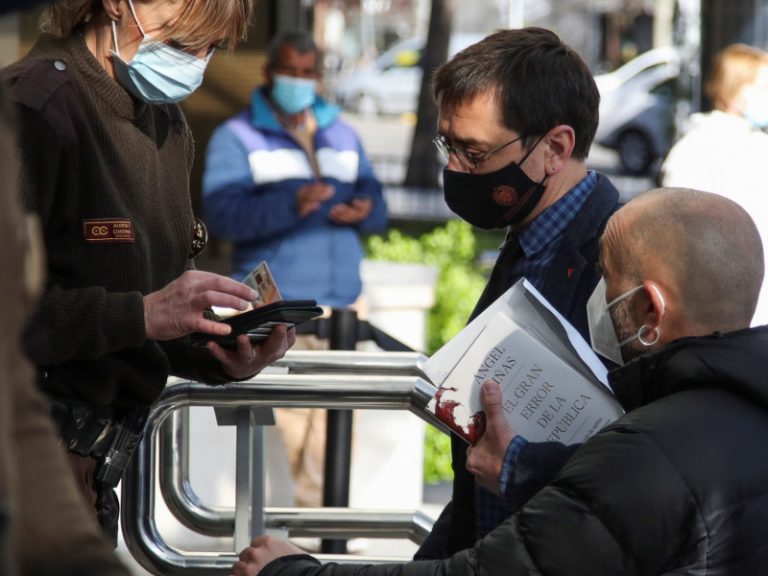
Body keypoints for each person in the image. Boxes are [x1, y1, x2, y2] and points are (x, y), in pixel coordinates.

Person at [231, 187, 768, 576]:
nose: (597, 298)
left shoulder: (644, 453)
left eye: (607, 279)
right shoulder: (743, 413)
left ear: (650, 308)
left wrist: (290, 571)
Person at [1, 0, 295, 546]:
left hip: (93, 472)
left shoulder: (165, 123)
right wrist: (141, 314)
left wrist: (220, 349)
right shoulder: (30, 107)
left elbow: (152, 316)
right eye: (181, 41)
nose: (196, 62)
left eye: (211, 47)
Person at [414, 27, 620, 557]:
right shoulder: (529, 239)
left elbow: (647, 468)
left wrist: (522, 469)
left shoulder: (626, 263)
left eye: (474, 152)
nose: (455, 168)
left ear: (555, 148)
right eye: (448, 145)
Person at [201, 29, 387, 508]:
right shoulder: (236, 136)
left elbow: (377, 199)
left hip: (345, 306)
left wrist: (365, 210)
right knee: (288, 435)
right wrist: (293, 203)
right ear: (269, 72)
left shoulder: (342, 131)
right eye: (290, 71)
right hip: (281, 308)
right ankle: (308, 530)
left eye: (309, 72)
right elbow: (223, 216)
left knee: (336, 427)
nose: (300, 81)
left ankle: (319, 529)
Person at [661, 43, 768, 326]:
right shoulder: (695, 149)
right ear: (735, 88)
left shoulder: (756, 145)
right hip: (716, 305)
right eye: (761, 87)